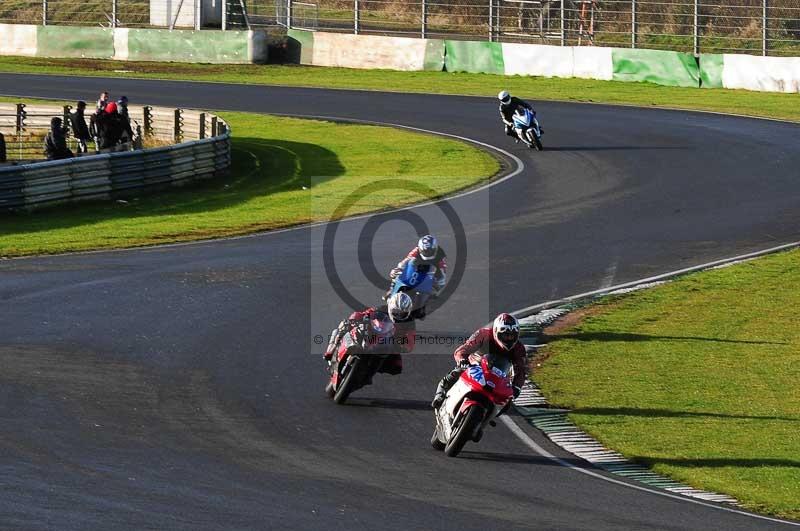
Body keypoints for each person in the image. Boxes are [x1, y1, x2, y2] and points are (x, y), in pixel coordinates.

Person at [431, 313, 526, 409]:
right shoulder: (483, 334)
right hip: (475, 367)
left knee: (507, 401)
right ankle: (440, 394)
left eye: (512, 336)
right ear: (496, 331)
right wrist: (462, 360)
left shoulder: (519, 348)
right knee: (457, 372)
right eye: (505, 335)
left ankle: (488, 415)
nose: (509, 339)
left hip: (499, 376)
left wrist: (516, 387)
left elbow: (520, 371)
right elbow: (463, 349)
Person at [324, 292, 415, 376]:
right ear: (391, 306)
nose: (398, 315)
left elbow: (410, 340)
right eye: (396, 311)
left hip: (391, 343)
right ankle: (331, 350)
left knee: (397, 367)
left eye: (402, 313)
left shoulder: (410, 322)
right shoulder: (381, 308)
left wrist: (403, 345)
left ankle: (370, 372)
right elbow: (363, 314)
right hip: (373, 334)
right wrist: (355, 320)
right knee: (345, 324)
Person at [385, 234, 447, 305]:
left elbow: (442, 274)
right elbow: (406, 260)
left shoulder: (440, 255)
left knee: (433, 297)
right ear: (420, 249)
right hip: (416, 268)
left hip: (431, 273)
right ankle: (392, 292)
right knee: (397, 277)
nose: (427, 253)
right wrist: (398, 269)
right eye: (425, 251)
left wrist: (437, 283)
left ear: (435, 249)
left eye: (429, 251)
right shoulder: (416, 250)